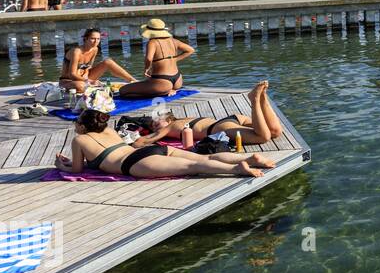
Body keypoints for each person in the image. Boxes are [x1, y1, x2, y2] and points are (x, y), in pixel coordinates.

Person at [55, 108, 273, 180]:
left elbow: (77, 169)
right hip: (150, 151)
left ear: (82, 126)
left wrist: (61, 166)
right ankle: (248, 159)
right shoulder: (110, 131)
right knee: (203, 158)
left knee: (193, 167)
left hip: (134, 163)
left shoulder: (79, 139)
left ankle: (237, 169)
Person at [132, 80, 286, 147]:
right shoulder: (179, 122)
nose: (155, 125)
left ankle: (254, 100)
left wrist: (130, 141)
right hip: (232, 120)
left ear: (169, 118)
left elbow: (143, 141)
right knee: (275, 131)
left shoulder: (170, 127)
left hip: (220, 127)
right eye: (153, 124)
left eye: (156, 121)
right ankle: (263, 98)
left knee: (263, 137)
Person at [118, 18, 193, 98]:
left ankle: (162, 91)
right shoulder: (173, 40)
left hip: (162, 82)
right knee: (146, 85)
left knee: (123, 90)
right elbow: (190, 50)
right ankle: (169, 89)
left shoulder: (152, 42)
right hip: (178, 80)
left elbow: (149, 59)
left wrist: (147, 68)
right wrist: (175, 59)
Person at [59, 28, 138, 92]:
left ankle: (133, 81)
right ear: (85, 39)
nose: (96, 41)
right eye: (93, 39)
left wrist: (87, 79)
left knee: (108, 62)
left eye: (98, 39)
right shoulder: (76, 51)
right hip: (68, 81)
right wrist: (89, 81)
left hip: (84, 78)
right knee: (80, 86)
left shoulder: (95, 49)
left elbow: (88, 67)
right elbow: (71, 74)